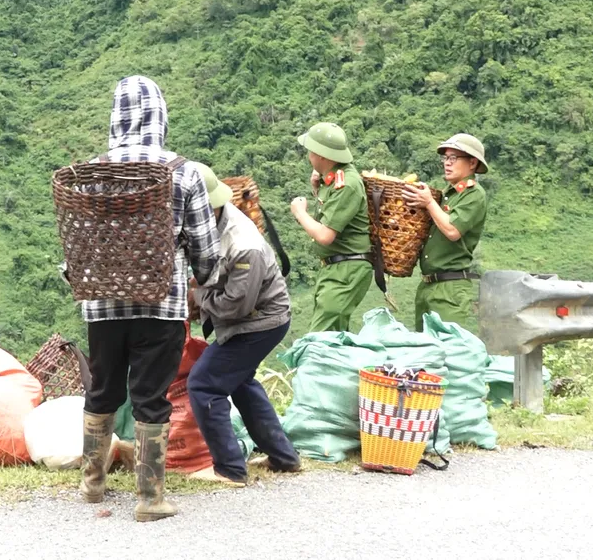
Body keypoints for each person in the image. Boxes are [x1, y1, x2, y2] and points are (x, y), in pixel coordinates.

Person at [73, 76, 220, 522]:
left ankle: (92, 484)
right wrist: (203, 279)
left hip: (102, 306)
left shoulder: (89, 175)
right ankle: (149, 499)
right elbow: (206, 253)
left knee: (102, 389)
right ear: (160, 116)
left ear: (115, 115)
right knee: (150, 396)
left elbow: (74, 247)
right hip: (161, 305)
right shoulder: (186, 173)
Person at [186, 163, 300, 487]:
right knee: (240, 381)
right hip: (249, 317)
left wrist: (199, 297)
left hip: (260, 321)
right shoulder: (208, 224)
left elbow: (237, 305)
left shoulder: (243, 242)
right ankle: (284, 457)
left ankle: (230, 469)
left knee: (205, 383)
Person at [290, 122, 373, 334]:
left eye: (311, 150)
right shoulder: (332, 179)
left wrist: (300, 212)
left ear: (321, 155)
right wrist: (317, 190)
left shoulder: (346, 184)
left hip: (346, 270)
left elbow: (325, 235)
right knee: (334, 337)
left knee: (320, 338)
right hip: (335, 268)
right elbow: (333, 213)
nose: (308, 155)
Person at [403, 134, 489, 333]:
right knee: (424, 353)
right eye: (445, 158)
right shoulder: (448, 194)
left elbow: (452, 230)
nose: (447, 163)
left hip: (450, 287)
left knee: (448, 354)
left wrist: (429, 203)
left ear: (472, 163)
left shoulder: (474, 194)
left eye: (453, 158)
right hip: (428, 285)